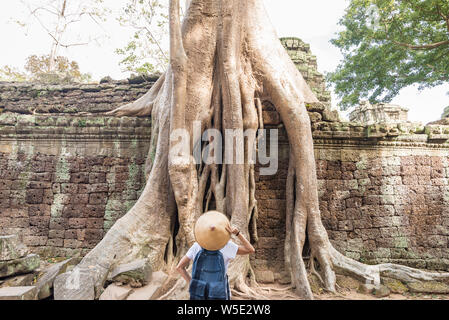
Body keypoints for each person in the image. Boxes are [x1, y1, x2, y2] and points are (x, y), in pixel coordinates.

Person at [176, 221, 255, 300]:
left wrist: (192, 283)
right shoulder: (227, 246)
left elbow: (179, 267)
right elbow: (250, 249)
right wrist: (238, 233)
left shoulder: (197, 246)